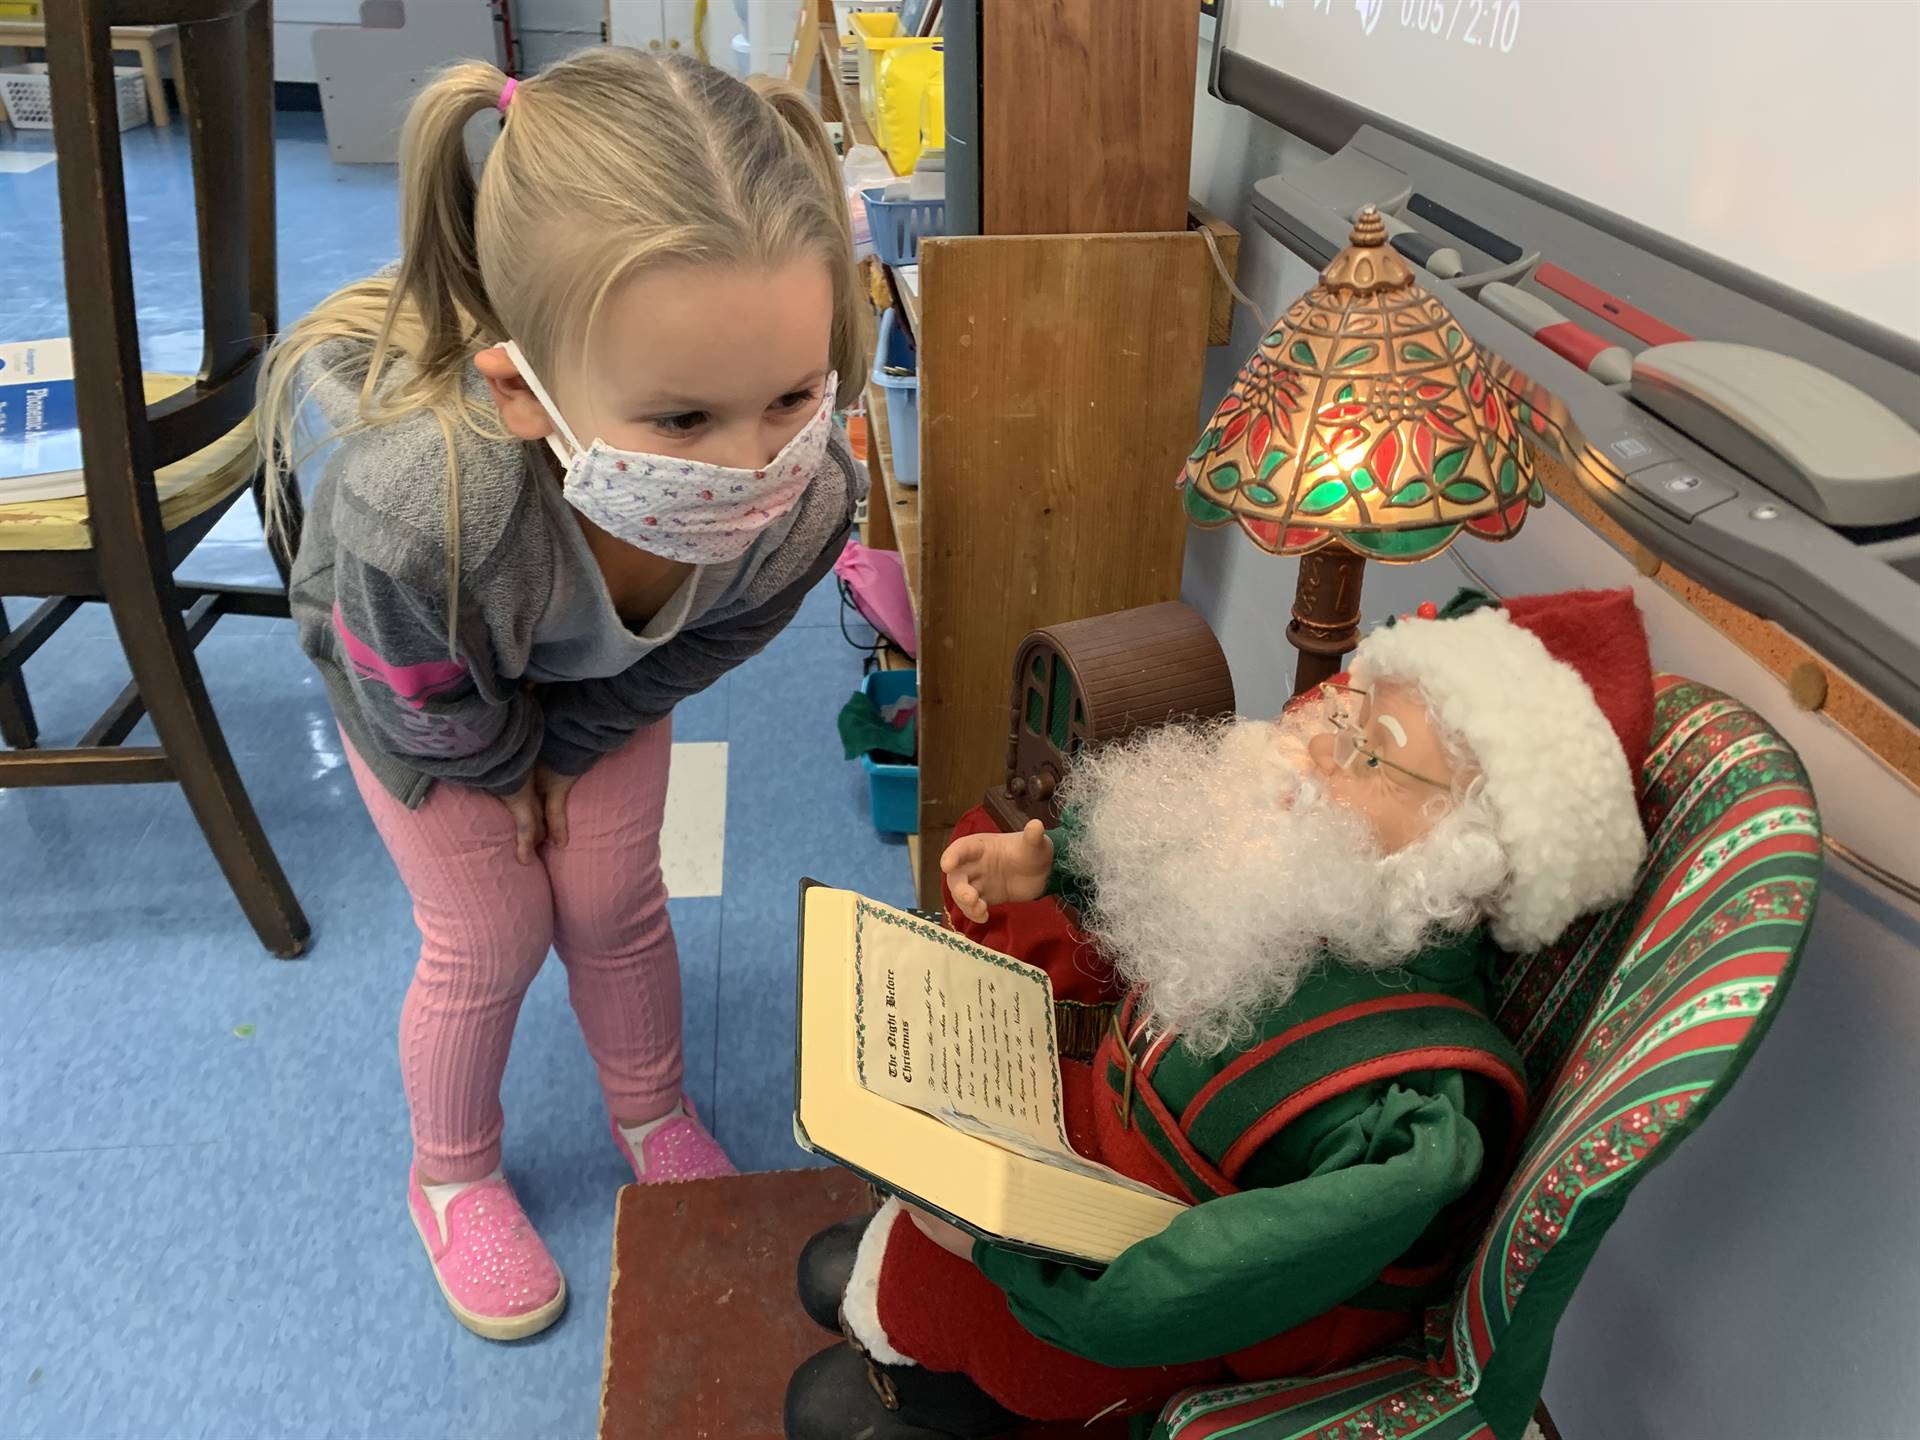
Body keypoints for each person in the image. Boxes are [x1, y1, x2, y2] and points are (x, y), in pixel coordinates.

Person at [255, 48, 866, 1341]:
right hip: (417, 690)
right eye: (686, 419)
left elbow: (712, 638)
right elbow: (409, 677)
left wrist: (570, 743)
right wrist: (500, 765)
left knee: (613, 898)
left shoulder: (809, 499)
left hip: (596, 678)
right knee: (490, 934)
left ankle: (652, 1110)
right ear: (526, 392)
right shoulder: (417, 511)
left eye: (793, 396)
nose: (756, 464)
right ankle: (453, 1172)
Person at [785, 588, 1654, 1437]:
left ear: (1468, 843)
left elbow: (1205, 1284)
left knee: (918, 1326)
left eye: (1369, 752)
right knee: (906, 1211)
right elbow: (1174, 880)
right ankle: (906, 1280)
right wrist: (1048, 869)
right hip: (1094, 1138)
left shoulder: (1412, 1099)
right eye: (1345, 715)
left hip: (1155, 1295)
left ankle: (923, 1391)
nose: (1315, 750)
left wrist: (995, 1256)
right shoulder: (1320, 884)